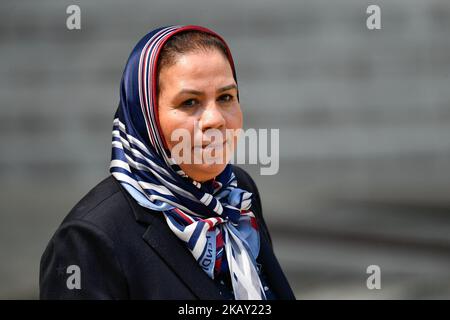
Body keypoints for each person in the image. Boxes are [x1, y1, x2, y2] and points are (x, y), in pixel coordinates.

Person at [39, 25, 295, 300]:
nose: (216, 120)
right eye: (189, 102)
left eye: (225, 97)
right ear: (145, 116)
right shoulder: (89, 239)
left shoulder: (237, 192)